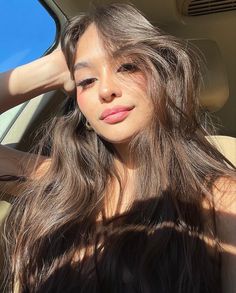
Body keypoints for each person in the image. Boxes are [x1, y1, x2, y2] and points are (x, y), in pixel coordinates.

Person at [0, 3, 235, 293]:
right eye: (86, 80)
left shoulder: (223, 200)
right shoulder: (59, 183)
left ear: (163, 76)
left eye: (127, 66)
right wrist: (50, 70)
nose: (104, 89)